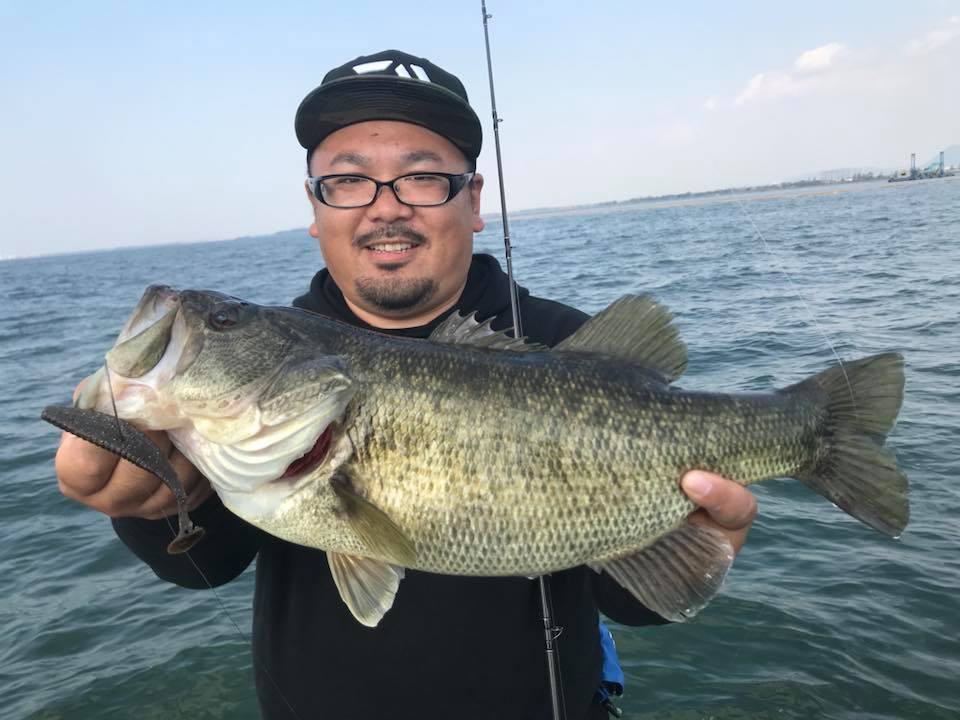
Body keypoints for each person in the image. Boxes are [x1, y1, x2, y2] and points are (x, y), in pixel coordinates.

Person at [55, 50, 758, 720]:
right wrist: (151, 505)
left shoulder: (566, 345)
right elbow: (202, 569)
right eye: (347, 180)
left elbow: (631, 604)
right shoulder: (282, 356)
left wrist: (699, 544)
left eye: (422, 177)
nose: (385, 207)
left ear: (472, 199)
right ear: (315, 207)